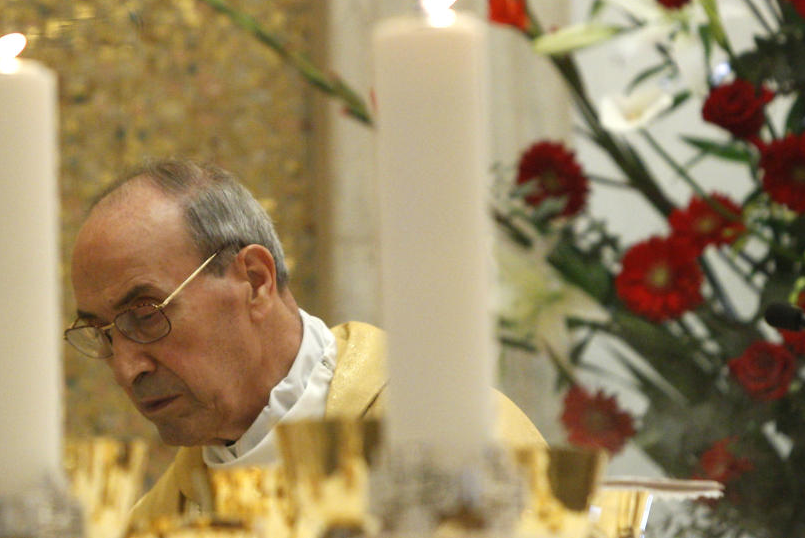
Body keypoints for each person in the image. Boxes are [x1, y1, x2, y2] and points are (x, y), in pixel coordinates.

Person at [66, 159, 544, 524]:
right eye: (103, 335)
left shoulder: (454, 439)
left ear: (254, 281)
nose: (128, 369)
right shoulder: (162, 519)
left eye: (145, 315)